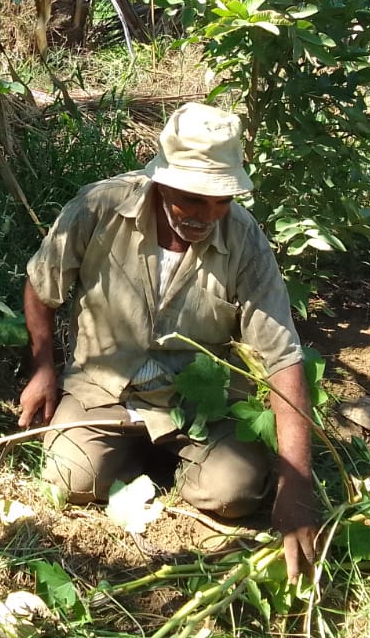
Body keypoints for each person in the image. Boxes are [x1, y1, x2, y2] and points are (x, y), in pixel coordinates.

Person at [17, 102, 318, 580]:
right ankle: (128, 453)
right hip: (103, 391)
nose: (208, 215)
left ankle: (172, 460)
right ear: (161, 180)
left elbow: (282, 357)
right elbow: (41, 286)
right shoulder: (100, 207)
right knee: (68, 479)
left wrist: (296, 488)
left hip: (200, 406)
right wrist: (44, 369)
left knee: (235, 494)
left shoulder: (244, 240)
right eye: (194, 200)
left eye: (222, 201)